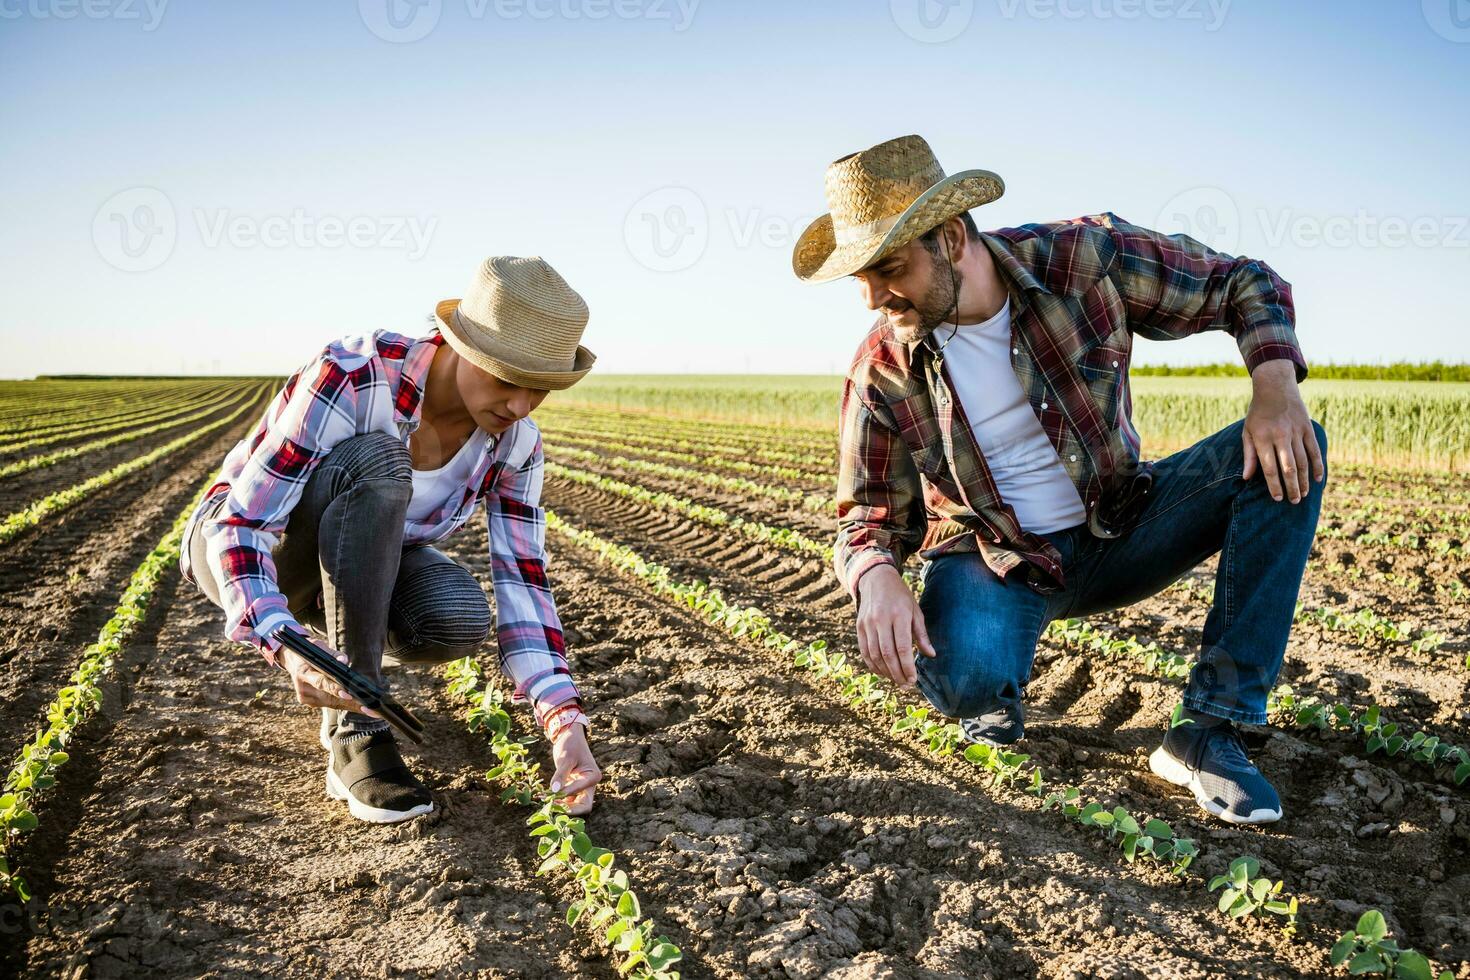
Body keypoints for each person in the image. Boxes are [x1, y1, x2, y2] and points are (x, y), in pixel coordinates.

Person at [793, 135, 1328, 825]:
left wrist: (1275, 389)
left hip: (1121, 526)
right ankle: (989, 698)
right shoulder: (881, 369)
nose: (871, 297)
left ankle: (1208, 729)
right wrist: (875, 576)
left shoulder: (1084, 261)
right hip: (999, 561)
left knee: (1296, 449)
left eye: (888, 267)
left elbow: (1241, 282)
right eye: (858, 278)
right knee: (960, 677)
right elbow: (866, 513)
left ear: (952, 237)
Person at [182, 255, 602, 824]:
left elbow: (523, 579)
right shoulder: (356, 374)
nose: (520, 406)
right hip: (255, 548)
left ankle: (344, 668)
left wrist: (563, 722)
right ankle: (360, 738)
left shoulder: (515, 443)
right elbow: (244, 525)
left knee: (453, 615)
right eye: (508, 379)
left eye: (541, 389)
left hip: (360, 563)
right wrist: (284, 645)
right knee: (378, 460)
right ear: (461, 346)